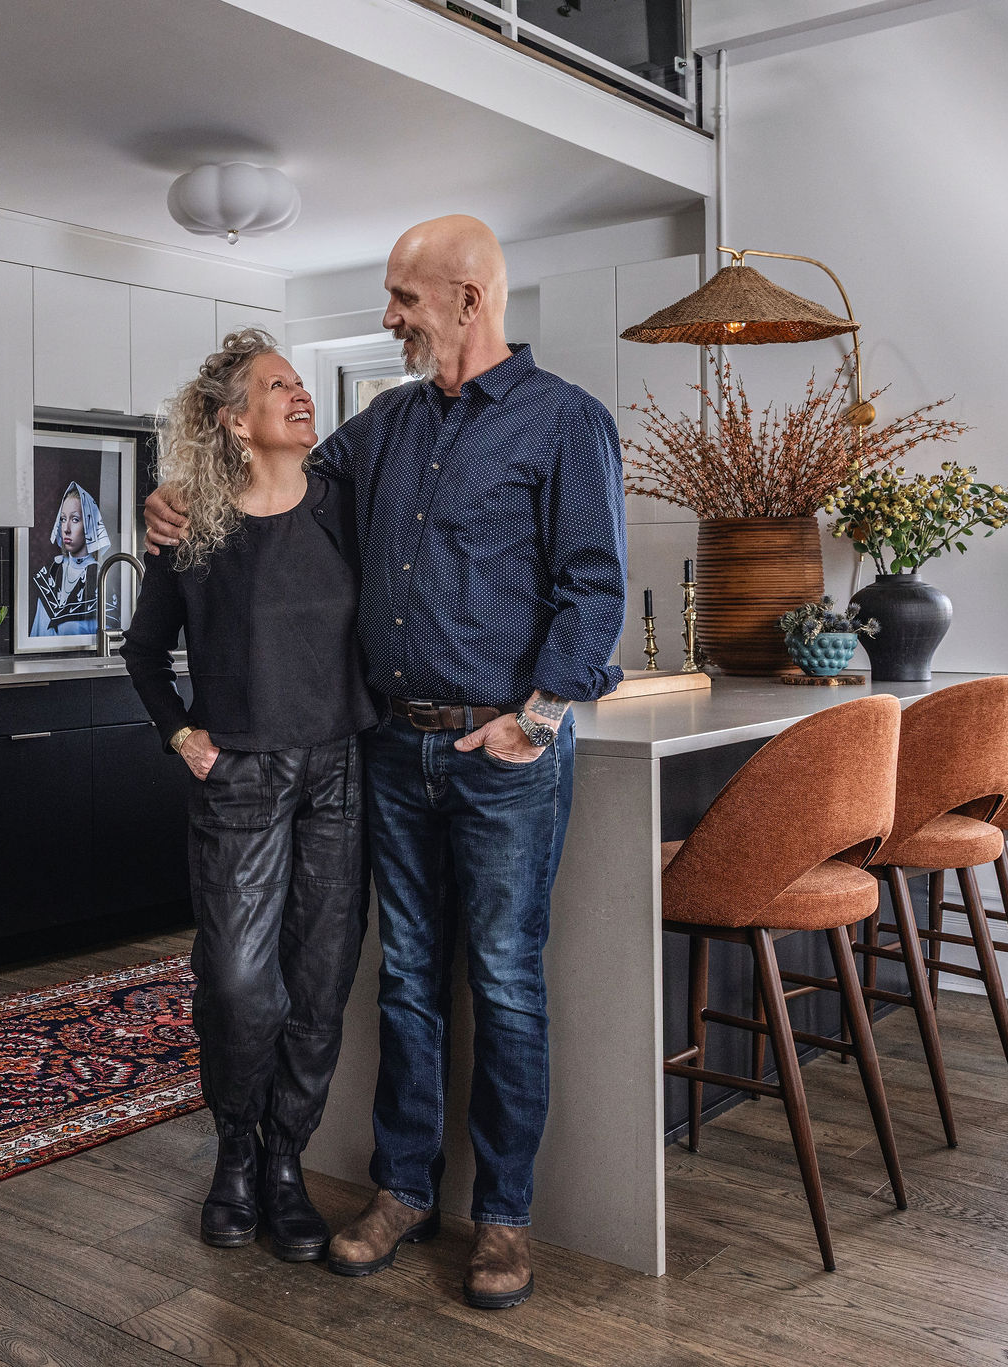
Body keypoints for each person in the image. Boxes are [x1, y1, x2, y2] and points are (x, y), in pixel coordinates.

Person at [145, 217, 627, 1308]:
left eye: (404, 297)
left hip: (502, 753)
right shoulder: (385, 425)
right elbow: (266, 484)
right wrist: (176, 497)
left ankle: (503, 1218)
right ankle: (403, 1190)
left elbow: (593, 587)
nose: (390, 316)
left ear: (468, 299)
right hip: (390, 750)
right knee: (406, 979)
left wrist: (537, 717)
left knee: (503, 983)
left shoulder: (565, 422)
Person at [121, 330, 378, 1262]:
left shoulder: (345, 505)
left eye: (302, 383)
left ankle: (282, 1162)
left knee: (319, 982)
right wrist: (179, 732)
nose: (301, 395)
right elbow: (143, 652)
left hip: (339, 771)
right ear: (235, 421)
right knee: (236, 983)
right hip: (240, 783)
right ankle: (234, 1147)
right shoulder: (193, 528)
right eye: (278, 386)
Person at [31, 481, 113, 636]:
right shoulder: (51, 571)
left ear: (89, 526)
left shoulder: (99, 578)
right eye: (63, 519)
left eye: (75, 519)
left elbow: (108, 636)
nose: (66, 529)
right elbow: (36, 632)